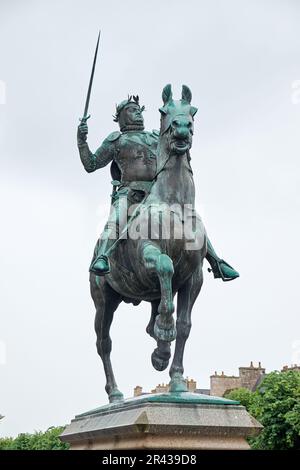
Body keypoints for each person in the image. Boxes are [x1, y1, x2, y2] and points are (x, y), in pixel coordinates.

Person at [77, 95, 239, 281]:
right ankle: (103, 257)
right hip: (130, 193)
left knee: (190, 217)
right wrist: (82, 140)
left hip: (160, 192)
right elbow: (91, 164)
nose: (137, 113)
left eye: (139, 110)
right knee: (116, 218)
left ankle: (216, 261)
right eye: (131, 110)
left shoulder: (156, 137)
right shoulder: (116, 141)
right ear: (120, 117)